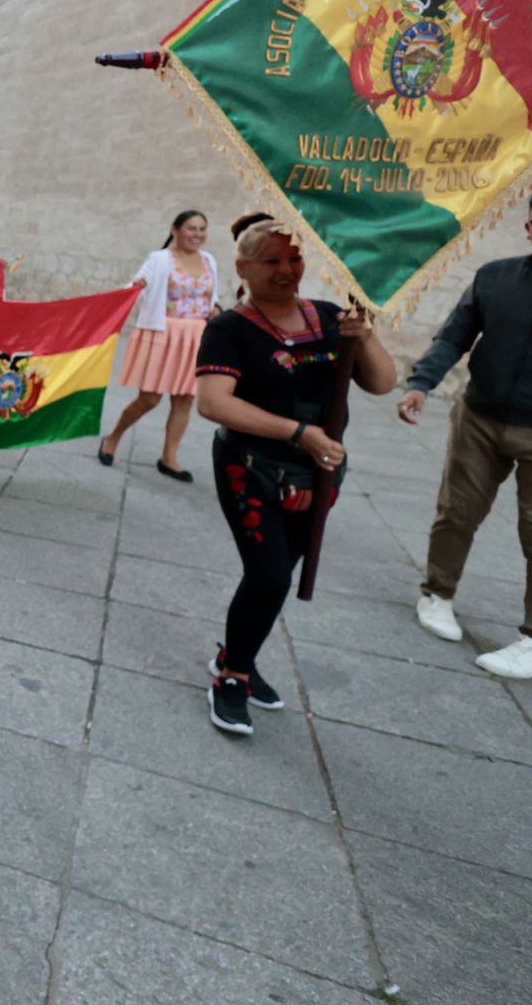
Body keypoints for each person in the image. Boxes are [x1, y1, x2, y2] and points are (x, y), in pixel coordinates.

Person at [399, 179, 532, 679]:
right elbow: (454, 335)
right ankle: (437, 593)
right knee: (456, 512)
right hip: (481, 419)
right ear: (529, 228)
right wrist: (420, 384)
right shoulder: (495, 277)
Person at [195, 221, 396, 736]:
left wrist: (365, 337)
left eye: (294, 259)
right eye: (271, 261)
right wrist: (298, 432)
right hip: (250, 469)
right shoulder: (229, 329)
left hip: (319, 474)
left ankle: (234, 653)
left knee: (275, 575)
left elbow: (381, 383)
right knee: (269, 576)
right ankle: (233, 677)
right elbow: (213, 403)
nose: (286, 270)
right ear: (242, 268)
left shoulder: (331, 318)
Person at [99, 210, 222, 482]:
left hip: (196, 338)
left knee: (184, 400)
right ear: (175, 230)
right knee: (150, 399)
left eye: (202, 229)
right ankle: (113, 437)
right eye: (191, 228)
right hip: (161, 333)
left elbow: (211, 297)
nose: (198, 234)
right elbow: (135, 285)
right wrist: (134, 287)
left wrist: (215, 310)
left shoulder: (210, 260)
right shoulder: (159, 259)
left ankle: (170, 458)